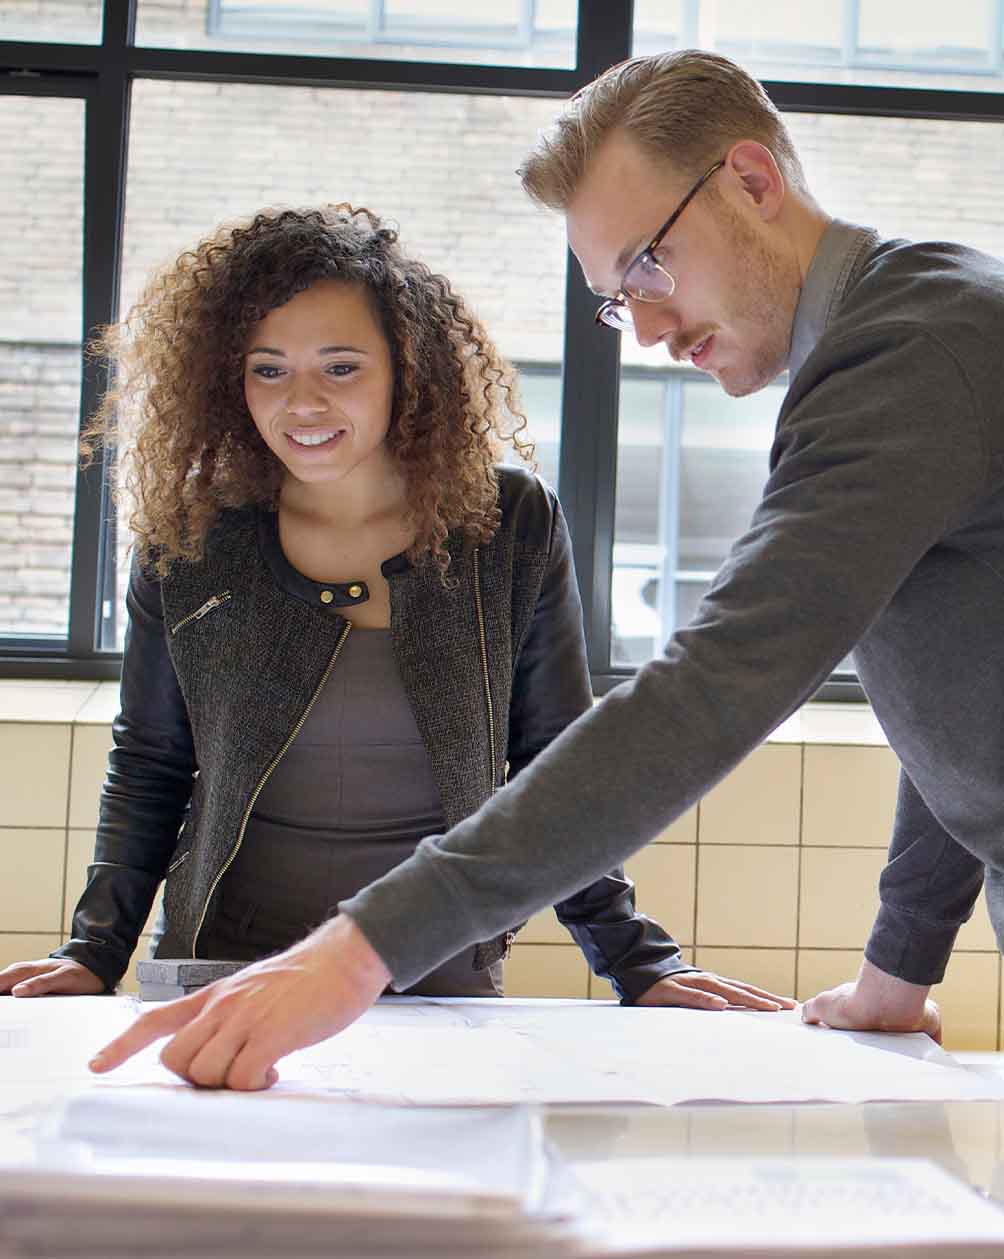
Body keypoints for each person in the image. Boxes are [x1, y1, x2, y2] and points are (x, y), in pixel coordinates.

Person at [85, 43, 997, 1092]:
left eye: (648, 263)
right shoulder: (900, 338)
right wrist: (898, 965)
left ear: (751, 180)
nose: (645, 329)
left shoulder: (906, 351)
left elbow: (717, 682)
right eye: (617, 298)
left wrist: (358, 948)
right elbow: (967, 689)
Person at [0, 202, 789, 1018]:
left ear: (406, 372)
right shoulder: (192, 540)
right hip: (221, 970)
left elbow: (554, 764)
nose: (302, 402)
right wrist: (92, 952)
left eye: (340, 367)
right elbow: (152, 763)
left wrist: (639, 962)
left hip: (434, 976)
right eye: (268, 369)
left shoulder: (506, 525)